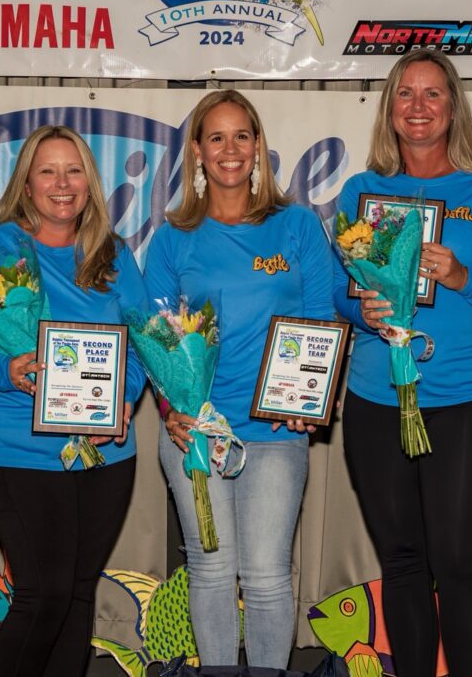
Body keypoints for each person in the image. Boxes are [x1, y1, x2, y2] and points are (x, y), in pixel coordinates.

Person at [333, 50, 472, 677]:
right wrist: (361, 309)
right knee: (401, 562)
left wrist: (462, 275)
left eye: (432, 94)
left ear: (453, 106)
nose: (418, 107)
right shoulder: (361, 191)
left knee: (458, 561)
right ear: (389, 109)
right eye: (405, 94)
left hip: (466, 402)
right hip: (377, 399)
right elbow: (337, 294)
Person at [0, 125, 147, 677]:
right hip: (13, 450)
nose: (62, 183)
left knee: (75, 594)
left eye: (73, 171)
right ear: (26, 184)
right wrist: (0, 370)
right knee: (44, 592)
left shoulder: (114, 254)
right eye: (47, 171)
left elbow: (146, 342)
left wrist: (124, 399)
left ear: (89, 182)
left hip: (103, 456)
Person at [143, 90, 335, 668]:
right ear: (197, 151)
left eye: (242, 136)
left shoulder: (297, 226)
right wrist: (171, 411)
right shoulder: (173, 238)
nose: (230, 149)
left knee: (267, 573)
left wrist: (309, 399)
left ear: (259, 147)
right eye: (216, 137)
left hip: (276, 427)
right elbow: (155, 336)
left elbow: (322, 319)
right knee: (211, 568)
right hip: (195, 430)